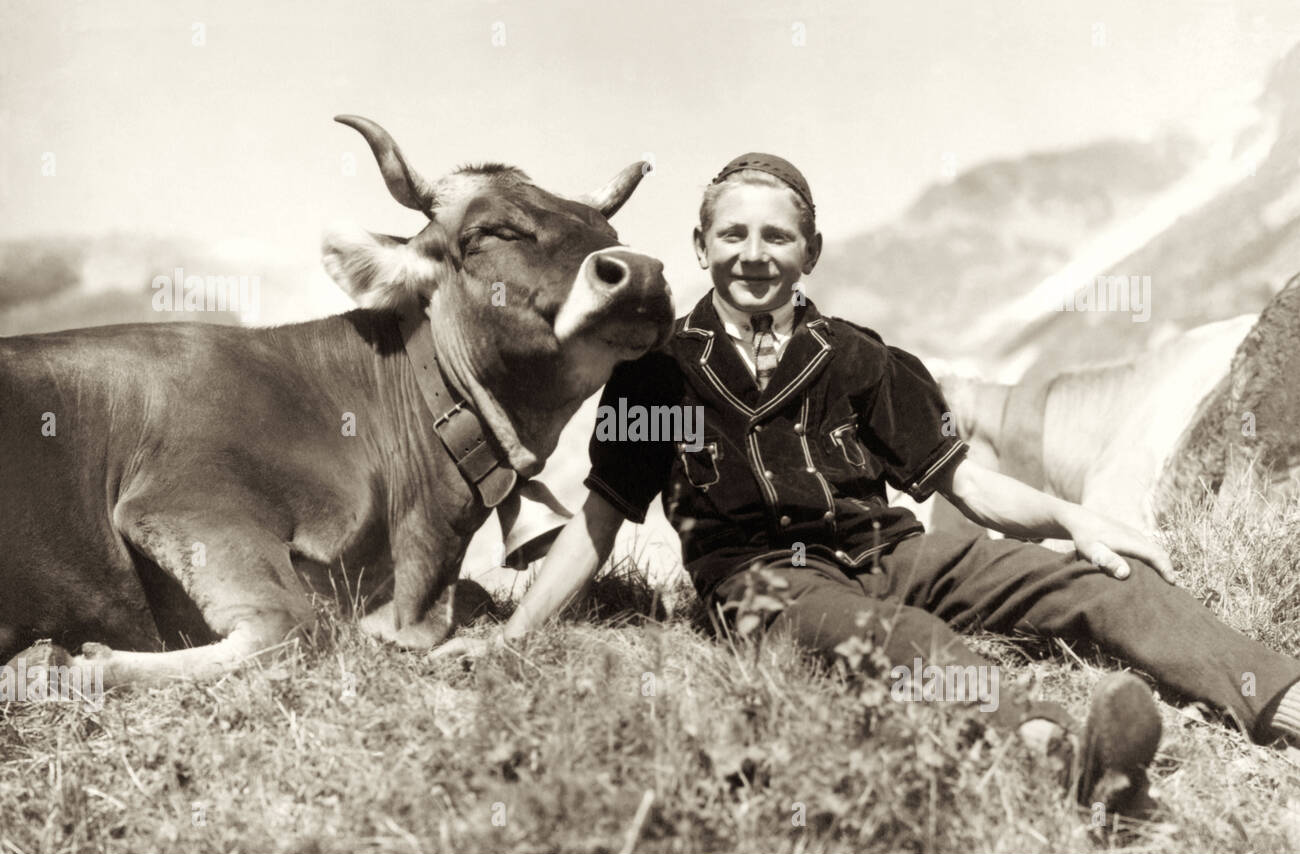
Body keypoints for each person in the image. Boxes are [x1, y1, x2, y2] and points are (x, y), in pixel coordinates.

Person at [443, 152, 1300, 809]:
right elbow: (600, 520)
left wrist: (1071, 518)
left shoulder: (858, 357)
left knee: (1101, 583)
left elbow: (961, 480)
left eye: (776, 236)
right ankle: (1059, 756)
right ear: (701, 248)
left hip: (893, 551)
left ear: (809, 250)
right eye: (733, 235)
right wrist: (517, 636)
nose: (754, 253)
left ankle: (1280, 695)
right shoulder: (659, 373)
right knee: (901, 640)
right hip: (761, 583)